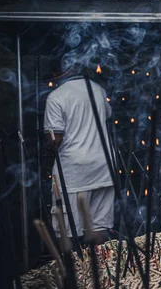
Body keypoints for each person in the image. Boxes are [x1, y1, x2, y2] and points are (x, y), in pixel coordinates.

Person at [44, 62, 114, 243]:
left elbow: (55, 139)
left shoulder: (56, 96)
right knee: (98, 226)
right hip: (104, 165)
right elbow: (106, 117)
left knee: (68, 230)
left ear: (57, 72)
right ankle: (100, 268)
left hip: (74, 171)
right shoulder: (98, 90)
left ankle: (76, 270)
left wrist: (45, 143)